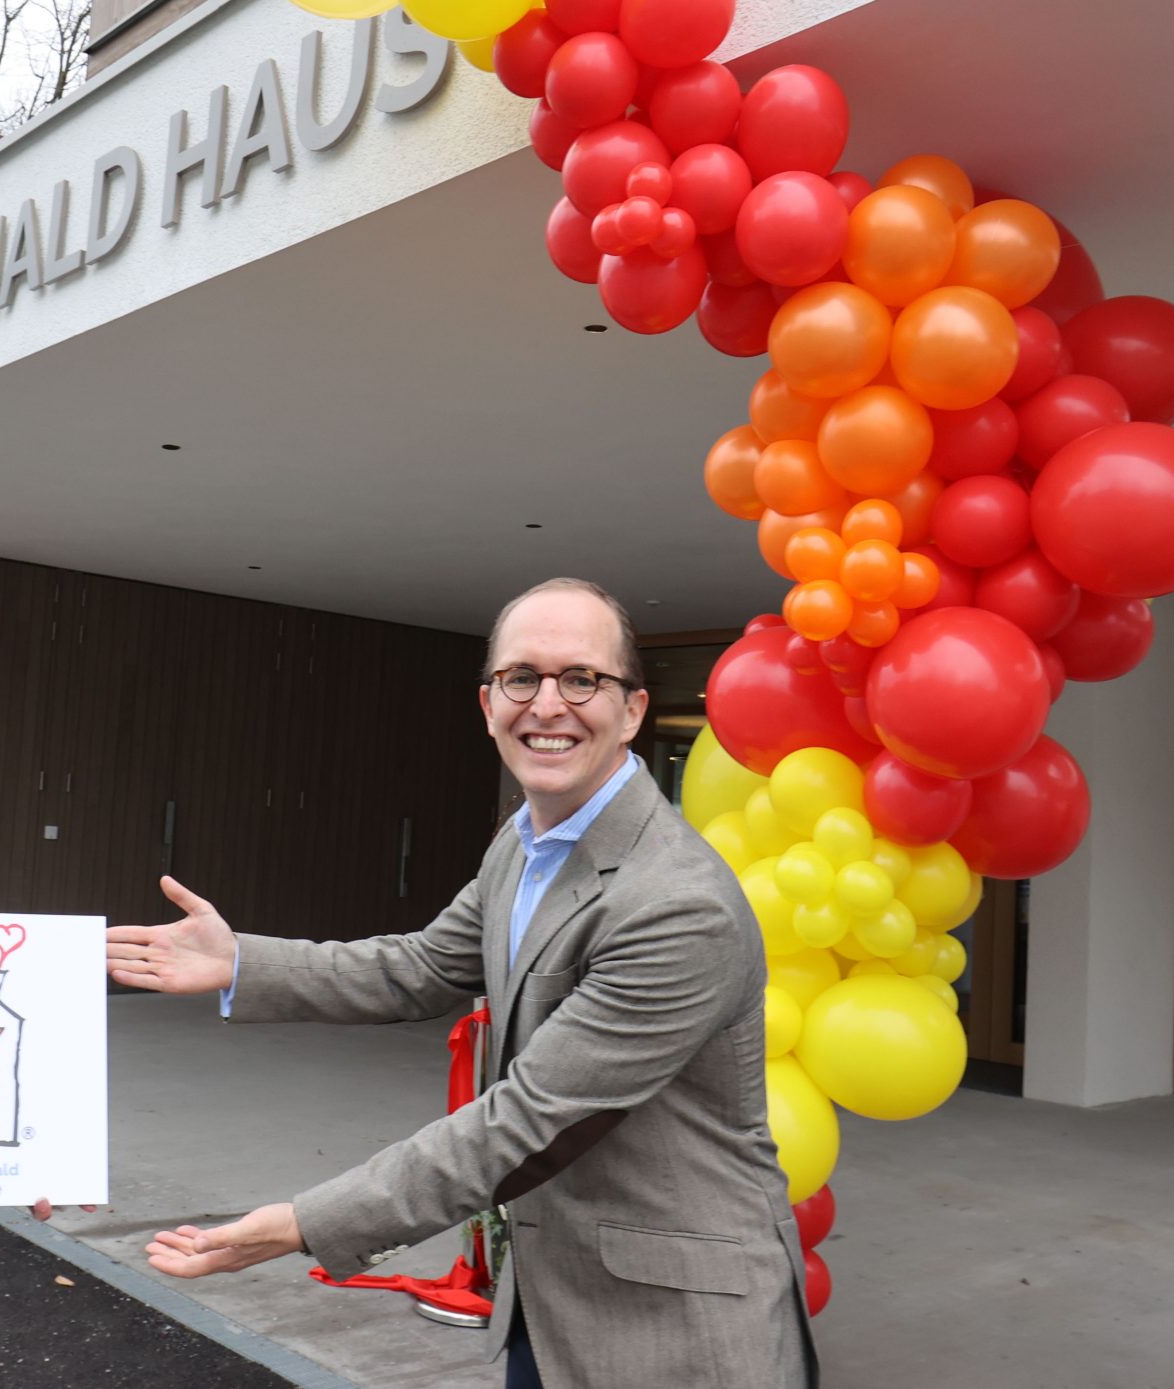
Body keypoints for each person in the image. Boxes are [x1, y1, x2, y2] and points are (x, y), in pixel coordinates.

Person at [106, 578, 817, 1389]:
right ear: (489, 704)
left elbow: (526, 1120)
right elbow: (423, 966)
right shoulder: (522, 842)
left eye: (582, 678)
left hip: (675, 1328)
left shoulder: (678, 902)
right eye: (523, 677)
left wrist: (306, 1225)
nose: (548, 705)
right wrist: (241, 962)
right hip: (548, 1299)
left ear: (632, 710)